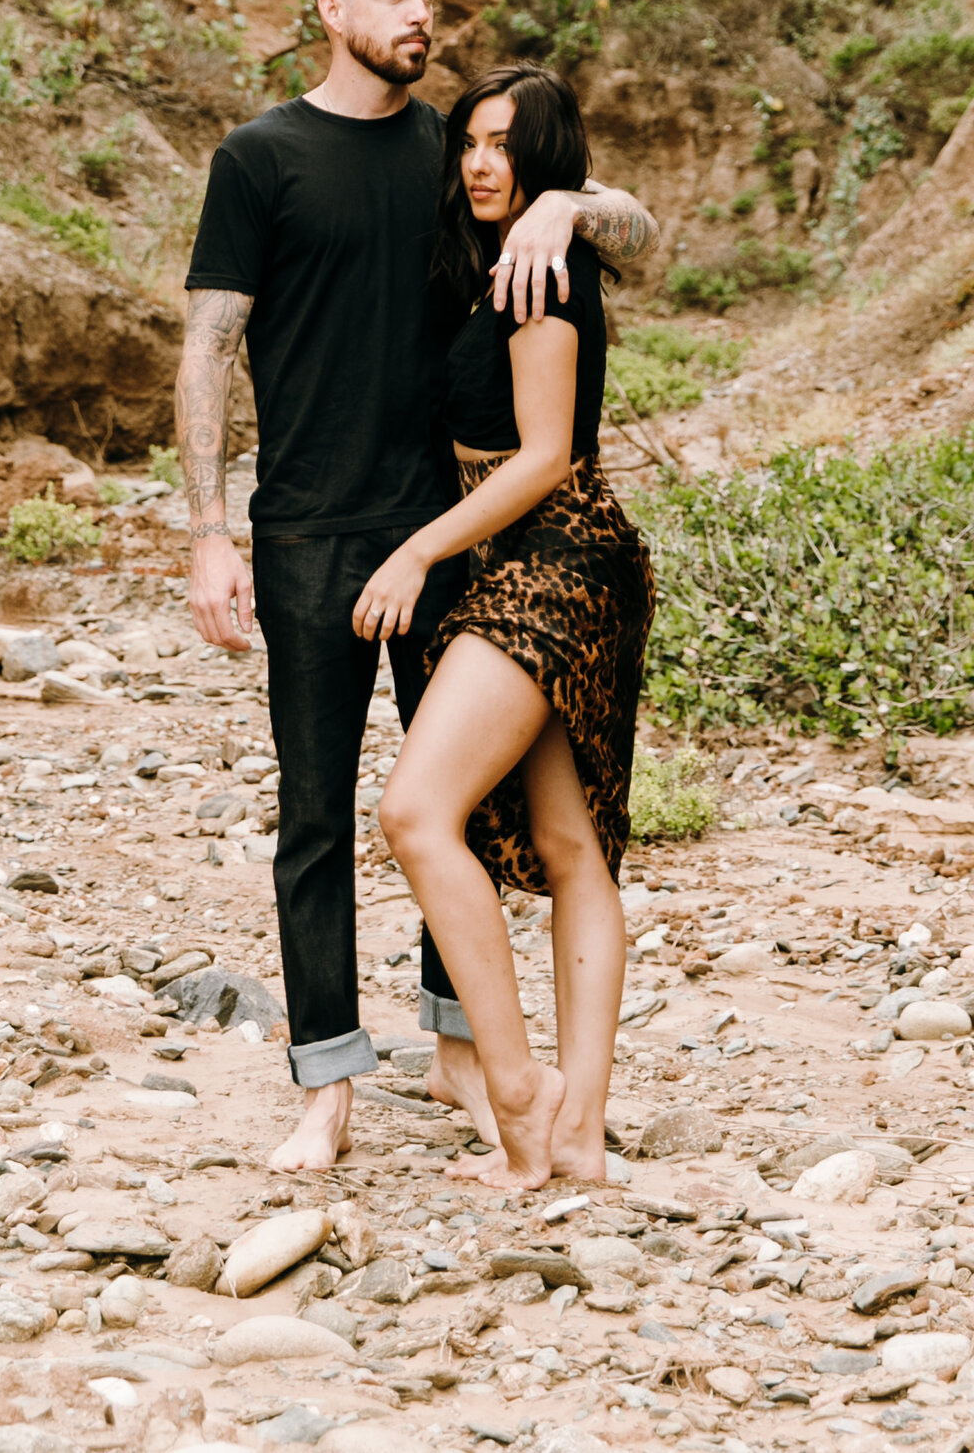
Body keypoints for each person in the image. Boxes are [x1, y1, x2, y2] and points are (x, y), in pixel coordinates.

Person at [178, 0, 653, 1175]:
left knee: (454, 801)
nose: (418, 14)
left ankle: (460, 1054)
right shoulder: (259, 157)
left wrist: (570, 201)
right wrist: (208, 530)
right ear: (331, 10)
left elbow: (632, 231)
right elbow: (208, 345)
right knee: (316, 812)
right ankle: (326, 1083)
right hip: (305, 532)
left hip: (458, 544)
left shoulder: (457, 165)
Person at [359, 61, 654, 1190]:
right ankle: (578, 1136)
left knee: (416, 810)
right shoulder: (489, 262)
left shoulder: (544, 265)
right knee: (572, 850)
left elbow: (543, 457)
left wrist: (416, 548)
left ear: (547, 162)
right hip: (529, 555)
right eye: (472, 143)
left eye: (508, 148)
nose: (484, 163)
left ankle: (523, 1089)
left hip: (556, 555)